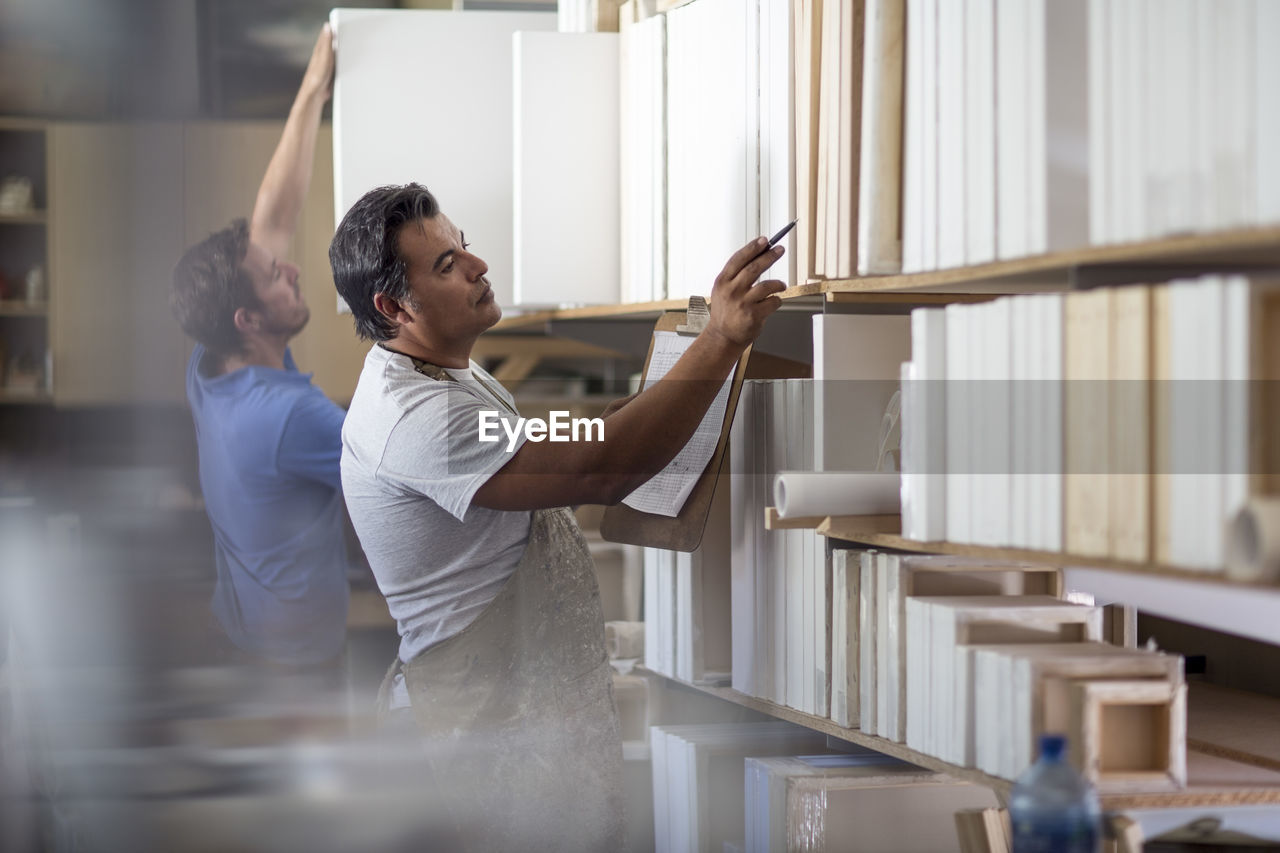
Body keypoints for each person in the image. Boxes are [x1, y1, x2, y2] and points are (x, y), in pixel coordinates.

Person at [329, 182, 786, 851]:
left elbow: (576, 454)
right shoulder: (416, 418)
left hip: (509, 727)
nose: (477, 266)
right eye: (447, 267)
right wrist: (718, 337)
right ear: (394, 305)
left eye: (463, 246)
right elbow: (600, 468)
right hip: (472, 748)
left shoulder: (450, 373)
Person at [170, 25, 351, 668]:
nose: (294, 268)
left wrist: (311, 91)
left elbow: (271, 218)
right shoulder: (286, 416)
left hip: (249, 639)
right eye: (276, 275)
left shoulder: (210, 365)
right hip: (298, 667)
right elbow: (404, 463)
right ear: (248, 320)